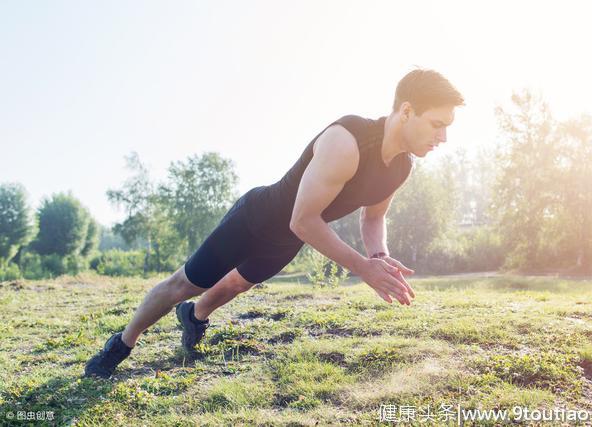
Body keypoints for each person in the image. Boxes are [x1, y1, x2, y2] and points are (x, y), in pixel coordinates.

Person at [84, 68, 464, 378]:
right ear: (408, 111)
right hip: (255, 218)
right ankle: (122, 343)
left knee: (236, 285)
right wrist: (363, 268)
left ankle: (194, 317)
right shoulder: (347, 141)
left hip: (286, 240)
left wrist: (378, 255)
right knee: (184, 283)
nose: (443, 137)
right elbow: (303, 219)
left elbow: (374, 215)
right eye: (437, 124)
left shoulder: (400, 167)